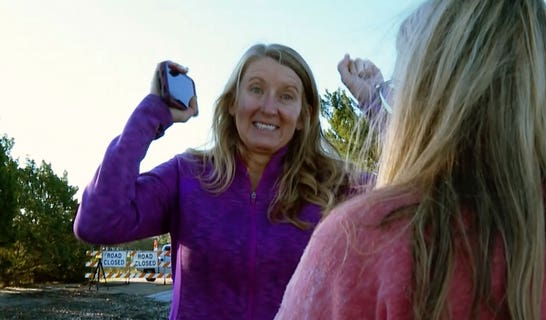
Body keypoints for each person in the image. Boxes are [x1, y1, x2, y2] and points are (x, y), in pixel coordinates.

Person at [275, 1, 546, 319]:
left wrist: (378, 100)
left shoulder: (356, 246)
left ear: (422, 90)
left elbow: (438, 153)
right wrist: (375, 98)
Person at [73, 43, 359, 319]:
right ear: (233, 103)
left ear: (302, 116)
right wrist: (152, 113)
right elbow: (96, 221)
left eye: (286, 96)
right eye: (256, 89)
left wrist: (376, 99)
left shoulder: (335, 184)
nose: (269, 107)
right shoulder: (186, 175)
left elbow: (404, 200)